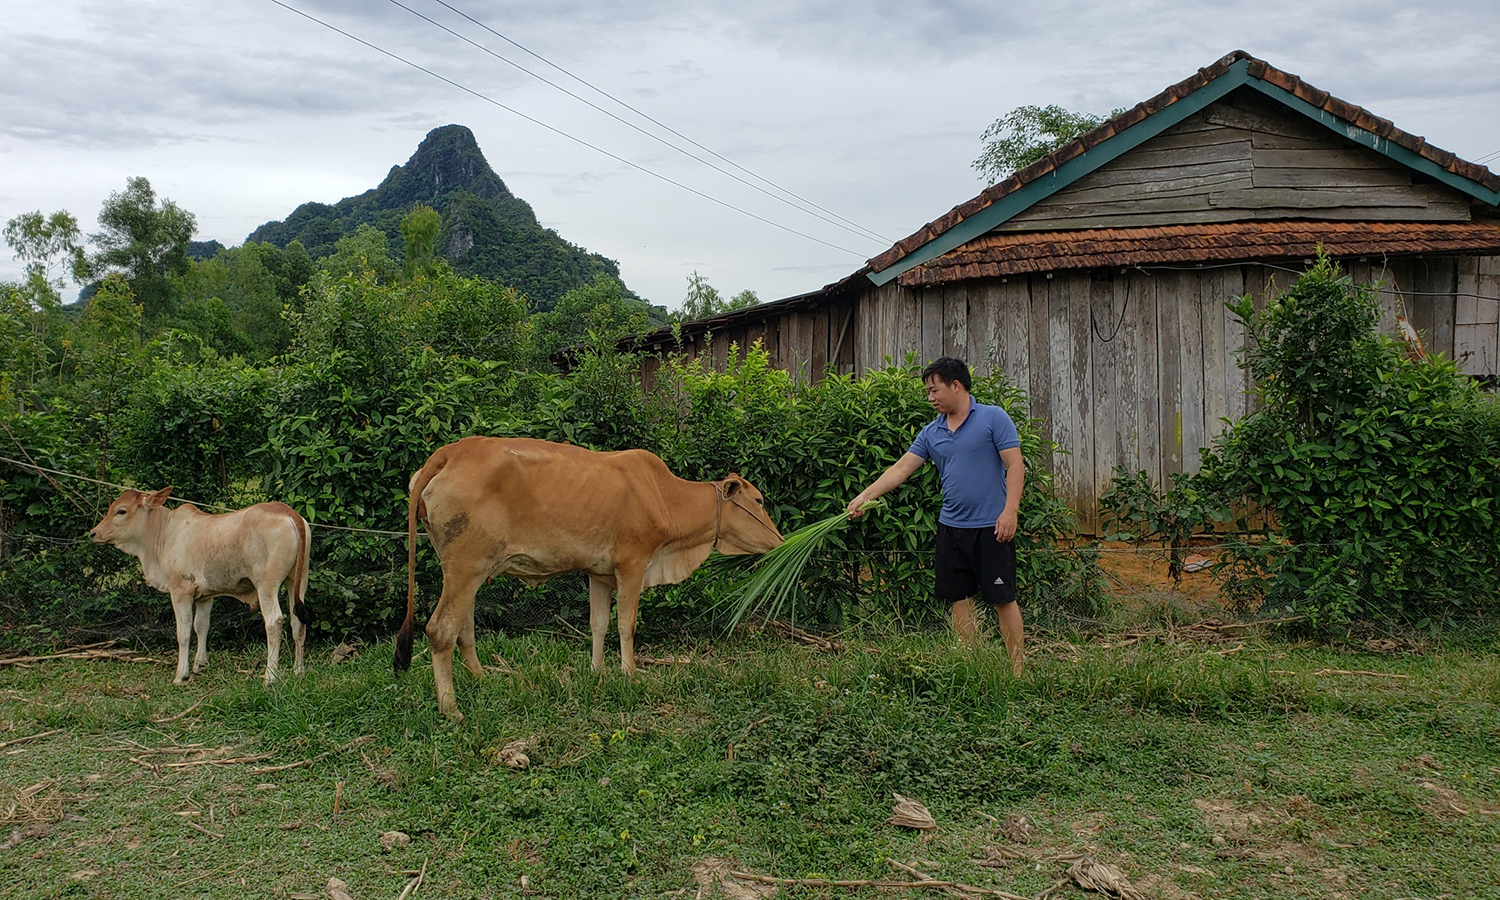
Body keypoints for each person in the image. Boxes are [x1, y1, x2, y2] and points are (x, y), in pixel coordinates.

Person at [847, 357, 1026, 674]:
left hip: (992, 527)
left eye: (934, 390)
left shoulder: (993, 418)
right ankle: (968, 667)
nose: (930, 397)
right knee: (959, 598)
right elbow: (901, 469)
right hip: (951, 529)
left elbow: (1015, 465)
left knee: (1003, 598)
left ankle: (1018, 670)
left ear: (956, 386)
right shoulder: (932, 432)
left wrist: (1010, 511)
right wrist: (864, 496)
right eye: (928, 391)